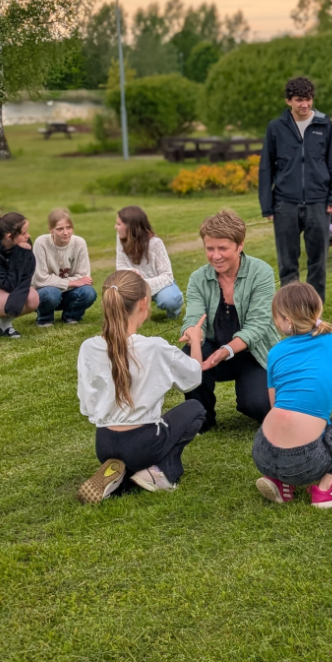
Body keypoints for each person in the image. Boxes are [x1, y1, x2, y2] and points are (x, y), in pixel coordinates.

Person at [76, 269, 209, 503]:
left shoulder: (89, 347)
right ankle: (160, 472)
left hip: (104, 443)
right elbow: (193, 378)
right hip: (143, 444)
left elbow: (87, 406)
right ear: (143, 303)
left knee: (138, 439)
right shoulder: (154, 347)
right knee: (195, 408)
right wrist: (195, 341)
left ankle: (120, 479)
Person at [253, 282, 332, 508]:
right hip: (305, 463)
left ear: (288, 322)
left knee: (289, 421)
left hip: (262, 452)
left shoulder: (275, 352)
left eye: (276, 318)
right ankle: (325, 489)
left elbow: (275, 405)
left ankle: (280, 481)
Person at [181, 208, 278, 432]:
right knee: (189, 354)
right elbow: (194, 317)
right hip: (214, 350)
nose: (216, 255)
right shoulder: (198, 278)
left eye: (222, 248)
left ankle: (277, 393)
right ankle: (201, 419)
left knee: (258, 405)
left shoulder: (261, 272)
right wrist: (192, 333)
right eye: (210, 248)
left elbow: (258, 325)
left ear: (240, 245)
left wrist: (225, 351)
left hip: (254, 354)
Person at [258, 75, 332, 303]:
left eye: (308, 99)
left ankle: (315, 310)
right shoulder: (276, 128)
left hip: (318, 203)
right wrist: (267, 205)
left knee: (318, 262)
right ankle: (291, 309)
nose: (304, 105)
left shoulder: (325, 125)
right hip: (285, 203)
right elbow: (266, 167)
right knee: (288, 263)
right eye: (298, 100)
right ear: (288, 101)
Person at [115, 206, 184, 319]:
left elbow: (167, 276)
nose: (115, 227)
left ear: (130, 227)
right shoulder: (121, 238)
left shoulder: (155, 243)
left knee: (170, 300)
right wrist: (131, 273)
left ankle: (175, 308)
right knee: (113, 295)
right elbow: (121, 265)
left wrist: (145, 283)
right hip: (134, 283)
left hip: (158, 284)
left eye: (118, 224)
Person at [32, 208, 97, 326]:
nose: (65, 232)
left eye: (69, 227)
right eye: (60, 229)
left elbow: (83, 277)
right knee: (51, 293)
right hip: (45, 293)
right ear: (51, 229)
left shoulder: (79, 243)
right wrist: (71, 283)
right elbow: (40, 279)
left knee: (89, 292)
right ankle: (45, 319)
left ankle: (71, 316)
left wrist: (62, 282)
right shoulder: (41, 243)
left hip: (68, 293)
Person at [0, 212, 38, 339]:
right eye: (23, 233)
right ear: (9, 236)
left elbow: (27, 273)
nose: (28, 236)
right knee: (6, 301)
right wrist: (18, 255)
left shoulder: (23, 243)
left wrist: (22, 253)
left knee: (32, 299)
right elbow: (8, 285)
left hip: (2, 284)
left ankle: (4, 326)